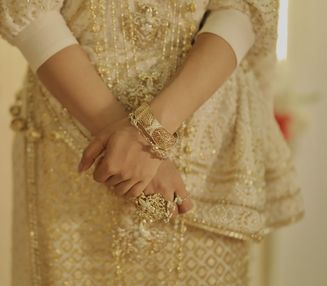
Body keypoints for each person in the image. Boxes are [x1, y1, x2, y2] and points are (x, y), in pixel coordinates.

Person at [0, 0, 304, 285]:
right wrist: (134, 141)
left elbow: (242, 8)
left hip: (204, 147)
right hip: (72, 138)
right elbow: (28, 10)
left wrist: (148, 133)